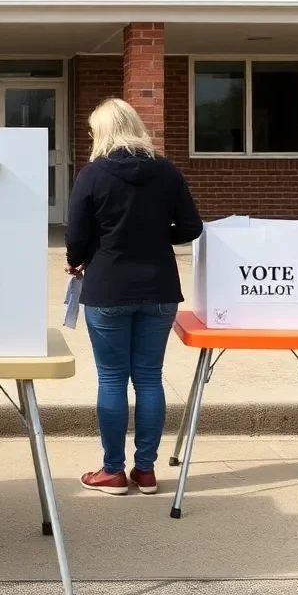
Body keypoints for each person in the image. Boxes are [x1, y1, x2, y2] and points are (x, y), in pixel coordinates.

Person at [66, 98, 203, 494]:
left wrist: (78, 260)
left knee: (111, 379)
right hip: (159, 287)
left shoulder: (93, 175)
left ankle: (113, 470)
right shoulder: (167, 171)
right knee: (148, 378)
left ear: (103, 132)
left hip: (108, 285)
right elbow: (191, 226)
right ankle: (145, 470)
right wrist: (160, 236)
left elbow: (76, 235)